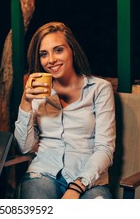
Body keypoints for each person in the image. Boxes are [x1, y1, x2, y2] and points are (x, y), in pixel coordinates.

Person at [14, 21, 116, 199]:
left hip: (88, 179)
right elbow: (25, 147)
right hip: (43, 173)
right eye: (44, 54)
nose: (51, 60)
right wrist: (25, 102)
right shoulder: (39, 91)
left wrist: (78, 186)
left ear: (72, 51)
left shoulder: (99, 89)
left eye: (58, 50)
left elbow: (104, 148)